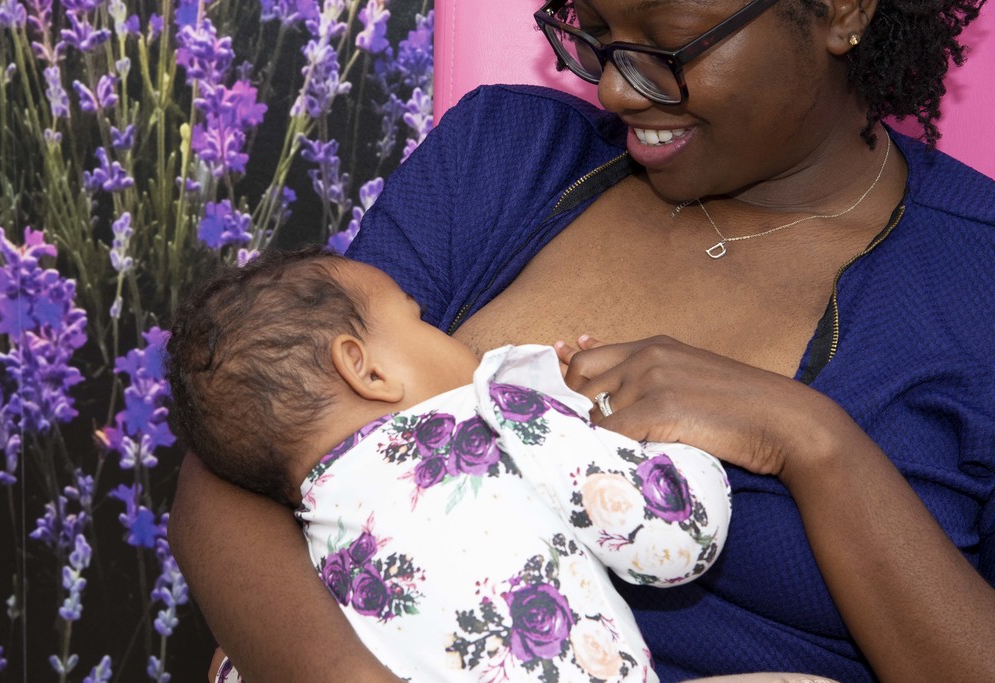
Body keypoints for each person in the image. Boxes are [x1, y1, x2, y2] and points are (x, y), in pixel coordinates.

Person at [168, 0, 995, 680]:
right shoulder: (506, 154)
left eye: (667, 50)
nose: (616, 90)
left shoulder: (975, 278)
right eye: (596, 34)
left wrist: (811, 440)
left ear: (842, 11)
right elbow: (237, 457)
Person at [165, 247, 732, 682]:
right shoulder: (492, 418)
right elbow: (677, 539)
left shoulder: (306, 564)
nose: (446, 332)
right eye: (420, 320)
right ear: (367, 371)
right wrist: (662, 436)